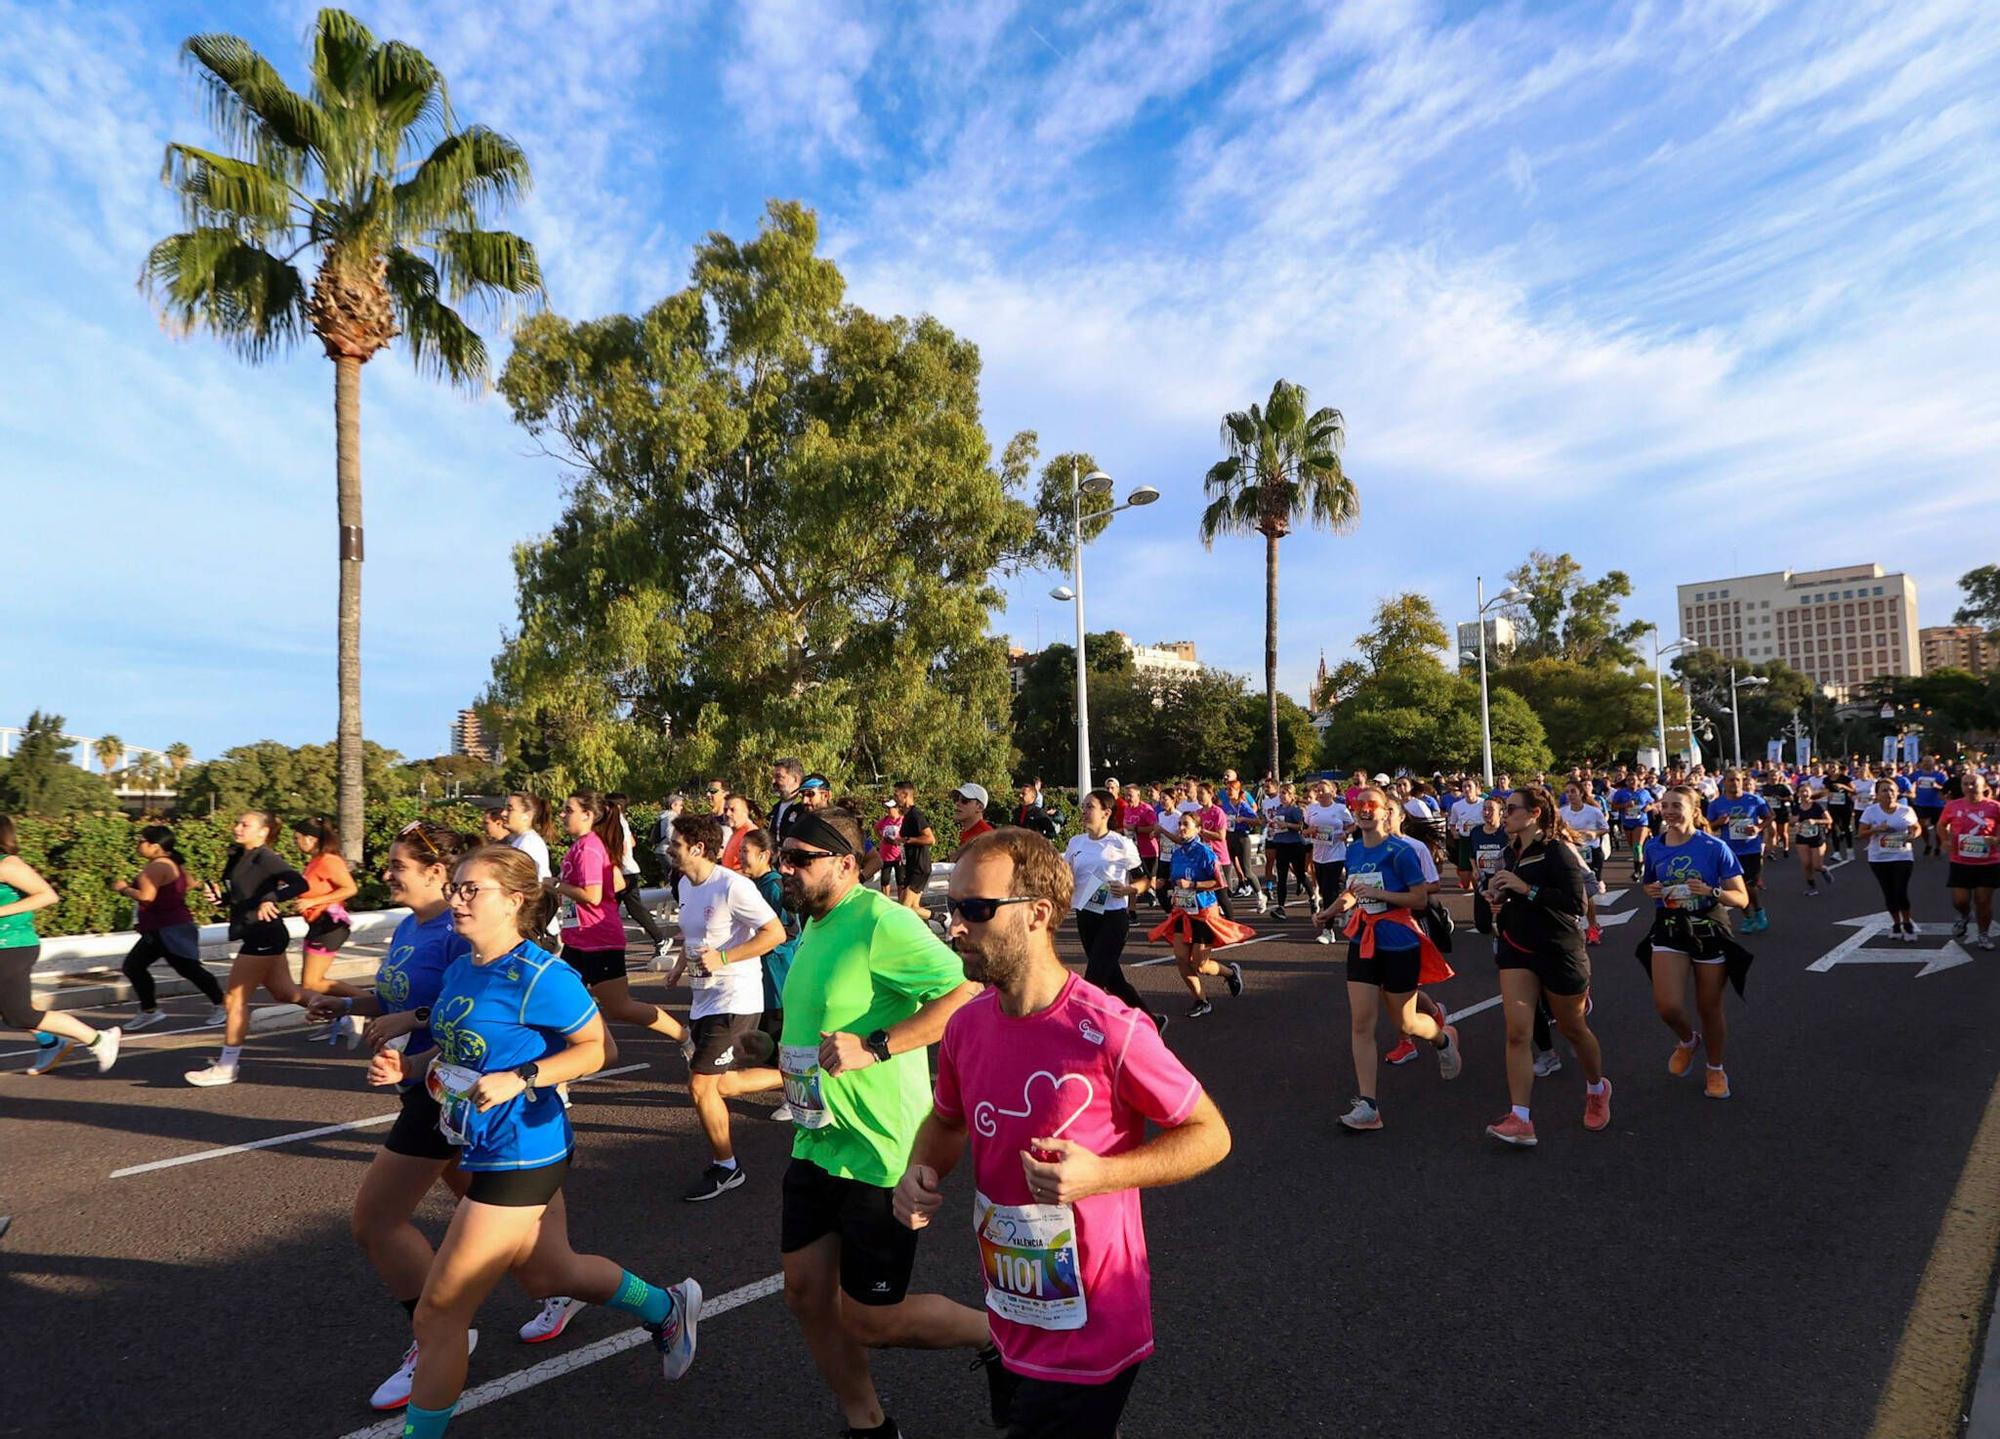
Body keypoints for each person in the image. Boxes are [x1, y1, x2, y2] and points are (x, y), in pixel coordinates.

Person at [894, 827, 1232, 1438]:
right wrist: (921, 1171)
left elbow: (1210, 1133)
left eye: (975, 909)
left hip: (1094, 1323)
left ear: (1037, 915)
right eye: (952, 909)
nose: (954, 927)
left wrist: (1104, 1174)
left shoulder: (1112, 1028)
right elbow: (946, 1122)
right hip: (1013, 1304)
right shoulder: (966, 1028)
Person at [374, 844, 700, 1438]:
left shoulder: (542, 975)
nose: (457, 898)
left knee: (441, 1311)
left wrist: (523, 1077)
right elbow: (455, 1047)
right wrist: (412, 1067)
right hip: (472, 1136)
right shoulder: (463, 965)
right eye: (457, 888)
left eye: (473, 890)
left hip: (523, 1150)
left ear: (515, 901)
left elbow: (602, 1050)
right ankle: (665, 1306)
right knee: (549, 1275)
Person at [772, 807, 982, 1439]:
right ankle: (867, 1423)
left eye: (798, 859)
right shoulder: (815, 922)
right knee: (805, 1293)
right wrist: (772, 1048)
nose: (784, 869)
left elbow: (966, 992)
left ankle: (1008, 1336)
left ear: (844, 862)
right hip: (817, 1141)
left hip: (879, 1151)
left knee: (871, 1319)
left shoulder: (881, 922)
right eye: (782, 856)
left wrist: (881, 1044)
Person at [310, 822, 484, 1409]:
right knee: (487, 1213)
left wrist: (411, 1039)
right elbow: (394, 996)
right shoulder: (411, 924)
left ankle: (438, 1337)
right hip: (418, 1086)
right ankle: (610, 1293)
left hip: (446, 1090)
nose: (386, 873)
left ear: (438, 872)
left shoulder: (459, 931)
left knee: (376, 1222)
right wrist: (347, 1002)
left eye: (398, 865)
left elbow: (474, 1009)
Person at [1314, 785, 1459, 1132]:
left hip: (1399, 940)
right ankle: (1368, 1105)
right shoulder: (1353, 851)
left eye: (1371, 804)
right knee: (1361, 1023)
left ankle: (1442, 1039)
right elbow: (1353, 892)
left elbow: (1421, 899)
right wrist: (1330, 911)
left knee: (1406, 1023)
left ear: (1385, 812)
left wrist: (1379, 893)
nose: (1363, 809)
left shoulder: (1400, 852)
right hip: (1364, 939)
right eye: (1358, 804)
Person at [664, 812, 788, 1201]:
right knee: (725, 1085)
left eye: (675, 844)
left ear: (698, 848)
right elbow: (694, 933)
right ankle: (802, 1074)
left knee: (700, 1087)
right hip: (704, 997)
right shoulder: (686, 883)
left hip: (736, 996)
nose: (669, 849)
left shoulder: (733, 886)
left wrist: (726, 958)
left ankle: (727, 1168)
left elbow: (775, 933)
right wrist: (682, 965)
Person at [1480, 786, 1609, 1147]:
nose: (1505, 815)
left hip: (1559, 949)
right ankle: (1520, 1118)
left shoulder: (1557, 851)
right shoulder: (1511, 852)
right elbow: (1515, 895)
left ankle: (1597, 1088)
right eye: (1504, 810)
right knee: (1517, 1033)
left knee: (1573, 1027)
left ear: (1535, 813)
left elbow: (1575, 905)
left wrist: (1525, 889)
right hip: (1517, 949)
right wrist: (1499, 898)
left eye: (1512, 809)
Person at [553, 791, 688, 1069]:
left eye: (568, 810)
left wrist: (555, 886)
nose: (562, 815)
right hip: (578, 939)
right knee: (562, 1001)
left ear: (587, 815)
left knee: (620, 1007)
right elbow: (614, 884)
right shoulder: (583, 846)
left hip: (598, 941)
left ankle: (685, 1037)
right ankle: (565, 1072)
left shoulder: (589, 847)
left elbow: (592, 894)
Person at [1638, 785, 1753, 1101]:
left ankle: (1715, 1068)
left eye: (1677, 805)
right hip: (1670, 927)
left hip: (1708, 928)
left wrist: (1710, 891)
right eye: (1666, 805)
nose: (1670, 811)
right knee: (1668, 1005)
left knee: (1709, 1007)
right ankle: (1688, 1040)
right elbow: (1651, 882)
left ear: (1694, 810)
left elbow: (1741, 898)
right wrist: (1651, 891)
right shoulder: (1653, 847)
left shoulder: (1715, 847)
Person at [185, 810, 308, 1086]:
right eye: (237, 822)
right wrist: (221, 899)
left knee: (234, 1000)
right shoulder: (237, 855)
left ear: (263, 832)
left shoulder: (266, 857)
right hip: (257, 932)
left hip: (264, 934)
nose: (237, 827)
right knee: (286, 992)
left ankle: (227, 1065)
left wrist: (271, 898)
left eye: (245, 824)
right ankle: (347, 1013)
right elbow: (241, 896)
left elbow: (300, 882)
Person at [2, 814, 122, 1074]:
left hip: (11, 946)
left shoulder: (8, 865)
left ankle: (98, 1039)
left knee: (18, 1014)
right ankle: (51, 1042)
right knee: (13, 1007)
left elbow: (47, 895)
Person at [1062, 788, 1160, 1029]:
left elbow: (1145, 880)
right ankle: (1152, 1022)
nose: (1084, 811)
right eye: (1083, 806)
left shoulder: (1120, 843)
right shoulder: (1076, 842)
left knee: (1093, 979)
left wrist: (1129, 890)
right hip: (1086, 915)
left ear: (1106, 812)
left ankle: (1083, 1028)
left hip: (1113, 918)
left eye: (1090, 807)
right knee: (1114, 980)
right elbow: (1065, 877)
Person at [113, 823, 226, 1030]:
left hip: (169, 928)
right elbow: (190, 883)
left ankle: (223, 1005)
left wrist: (124, 889)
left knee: (189, 969)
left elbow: (147, 897)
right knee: (135, 966)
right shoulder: (173, 863)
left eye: (141, 841)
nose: (138, 845)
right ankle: (150, 1011)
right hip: (165, 927)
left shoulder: (157, 866)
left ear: (154, 845)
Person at [1146, 810, 1251, 1018]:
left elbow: (1220, 882)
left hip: (1203, 912)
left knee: (1200, 965)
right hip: (1182, 912)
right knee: (1181, 958)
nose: (1181, 828)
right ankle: (1201, 1000)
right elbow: (1173, 880)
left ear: (1198, 829)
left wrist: (1193, 885)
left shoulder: (1206, 852)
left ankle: (1230, 972)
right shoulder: (1176, 854)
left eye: (1186, 824)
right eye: (1179, 824)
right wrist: (1162, 882)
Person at [740, 828, 803, 1120]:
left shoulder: (775, 886)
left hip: (779, 973)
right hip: (764, 976)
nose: (740, 857)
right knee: (768, 1036)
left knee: (782, 1035)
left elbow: (788, 930)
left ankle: (796, 1097)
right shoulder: (754, 885)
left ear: (764, 855)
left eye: (745, 852)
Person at [290, 815, 368, 1004]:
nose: (295, 843)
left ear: (311, 838)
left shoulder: (328, 860)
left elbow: (350, 888)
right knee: (310, 983)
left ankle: (369, 1001)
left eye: (297, 838)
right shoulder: (315, 860)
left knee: (312, 984)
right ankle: (339, 1015)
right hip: (317, 924)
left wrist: (313, 901)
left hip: (329, 924)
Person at [1706, 771, 1773, 934]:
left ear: (1742, 781)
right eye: (1730, 780)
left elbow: (1770, 816)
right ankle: (1748, 918)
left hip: (1751, 849)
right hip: (1729, 851)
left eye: (1737, 780)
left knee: (1749, 885)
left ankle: (1759, 911)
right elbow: (1709, 826)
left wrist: (1758, 828)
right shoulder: (1716, 804)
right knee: (1737, 889)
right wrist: (1719, 822)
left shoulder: (1754, 800)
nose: (1734, 783)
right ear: (1724, 783)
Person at [1940, 771, 2000, 949]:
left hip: (1988, 862)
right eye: (1965, 784)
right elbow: (1941, 825)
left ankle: (1983, 935)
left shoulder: (1995, 807)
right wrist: (1945, 840)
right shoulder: (1953, 806)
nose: (1969, 787)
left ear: (1983, 787)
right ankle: (1965, 915)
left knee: (1983, 901)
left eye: (1973, 783)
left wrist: (1996, 840)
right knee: (1960, 901)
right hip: (1960, 861)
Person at [1857, 778, 1921, 941]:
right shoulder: (1871, 811)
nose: (1889, 793)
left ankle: (1907, 923)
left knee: (1901, 891)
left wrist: (1913, 835)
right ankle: (1896, 923)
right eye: (1884, 790)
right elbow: (1860, 834)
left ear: (1897, 793)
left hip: (1902, 855)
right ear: (1877, 795)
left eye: (1892, 790)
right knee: (1889, 892)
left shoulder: (1906, 810)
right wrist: (1877, 829)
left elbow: (1916, 827)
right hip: (1878, 857)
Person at [607, 792, 670, 959]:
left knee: (633, 910)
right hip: (626, 871)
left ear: (616, 807)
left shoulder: (618, 822)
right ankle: (613, 944)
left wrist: (614, 860)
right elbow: (632, 842)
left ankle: (660, 939)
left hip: (625, 873)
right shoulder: (621, 821)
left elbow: (625, 847)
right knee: (615, 910)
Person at [1303, 780, 1353, 945]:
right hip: (1319, 855)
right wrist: (1310, 831)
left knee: (1329, 890)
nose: (1320, 793)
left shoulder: (1340, 809)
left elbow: (1353, 825)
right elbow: (1304, 830)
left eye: (1323, 790)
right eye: (1318, 791)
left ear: (1332, 792)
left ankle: (1328, 930)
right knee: (1325, 890)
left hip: (1336, 854)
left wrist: (1345, 833)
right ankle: (1342, 906)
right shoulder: (1312, 809)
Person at [891, 780, 937, 926]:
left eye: (896, 794)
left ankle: (942, 918)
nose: (894, 798)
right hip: (911, 866)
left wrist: (907, 840)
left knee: (905, 909)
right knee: (912, 908)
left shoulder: (916, 814)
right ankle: (938, 922)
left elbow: (930, 839)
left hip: (919, 866)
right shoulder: (907, 816)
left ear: (905, 795)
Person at [1264, 782, 1312, 920]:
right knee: (1282, 877)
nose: (1281, 796)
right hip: (1281, 844)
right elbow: (1276, 823)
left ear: (1291, 795)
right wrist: (1274, 826)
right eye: (1280, 793)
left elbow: (1301, 827)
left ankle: (1313, 897)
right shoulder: (1278, 809)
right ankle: (1281, 907)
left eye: (1284, 793)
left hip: (1295, 844)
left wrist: (1287, 825)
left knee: (1300, 875)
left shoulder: (1295, 810)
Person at [1120, 783, 1165, 911]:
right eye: (1126, 795)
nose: (1128, 798)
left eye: (1131, 795)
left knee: (1150, 881)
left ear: (1138, 795)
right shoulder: (1127, 809)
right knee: (1134, 880)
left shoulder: (1146, 809)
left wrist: (1136, 829)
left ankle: (1161, 890)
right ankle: (1132, 910)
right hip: (1133, 851)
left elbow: (1154, 827)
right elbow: (1126, 824)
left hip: (1148, 850)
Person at [501, 792, 554, 881]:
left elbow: (527, 881)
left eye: (510, 809)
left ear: (527, 815)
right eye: (505, 808)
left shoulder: (529, 843)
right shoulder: (520, 840)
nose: (503, 813)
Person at [1792, 782, 1832, 895]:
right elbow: (1791, 822)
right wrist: (1794, 822)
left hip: (1817, 837)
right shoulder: (1796, 808)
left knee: (1817, 866)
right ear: (1798, 794)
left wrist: (1815, 821)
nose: (1804, 793)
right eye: (1801, 791)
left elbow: (1829, 820)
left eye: (1806, 791)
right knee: (1806, 864)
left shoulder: (1818, 806)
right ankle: (1812, 887)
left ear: (1811, 792)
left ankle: (1823, 870)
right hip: (1802, 836)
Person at [1910, 758, 1950, 856]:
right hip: (1921, 804)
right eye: (1925, 762)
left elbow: (1947, 789)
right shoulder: (1916, 775)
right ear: (1922, 764)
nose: (1927, 764)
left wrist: (1937, 786)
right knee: (1922, 825)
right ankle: (1928, 844)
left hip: (1937, 805)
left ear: (1933, 764)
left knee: (1938, 828)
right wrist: (1912, 793)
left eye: (1929, 762)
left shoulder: (1940, 775)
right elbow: (1909, 785)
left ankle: (1937, 846)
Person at [770, 757, 809, 843]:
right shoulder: (774, 808)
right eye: (773, 777)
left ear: (795, 779)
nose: (773, 781)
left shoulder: (805, 807)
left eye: (779, 777)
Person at [874, 798, 906, 894]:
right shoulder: (885, 820)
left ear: (896, 808)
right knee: (884, 880)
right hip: (885, 856)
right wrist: (881, 837)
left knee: (900, 881)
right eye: (887, 808)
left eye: (890, 808)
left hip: (898, 855)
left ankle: (901, 903)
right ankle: (886, 901)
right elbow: (876, 828)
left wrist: (900, 841)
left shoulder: (903, 820)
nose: (888, 810)